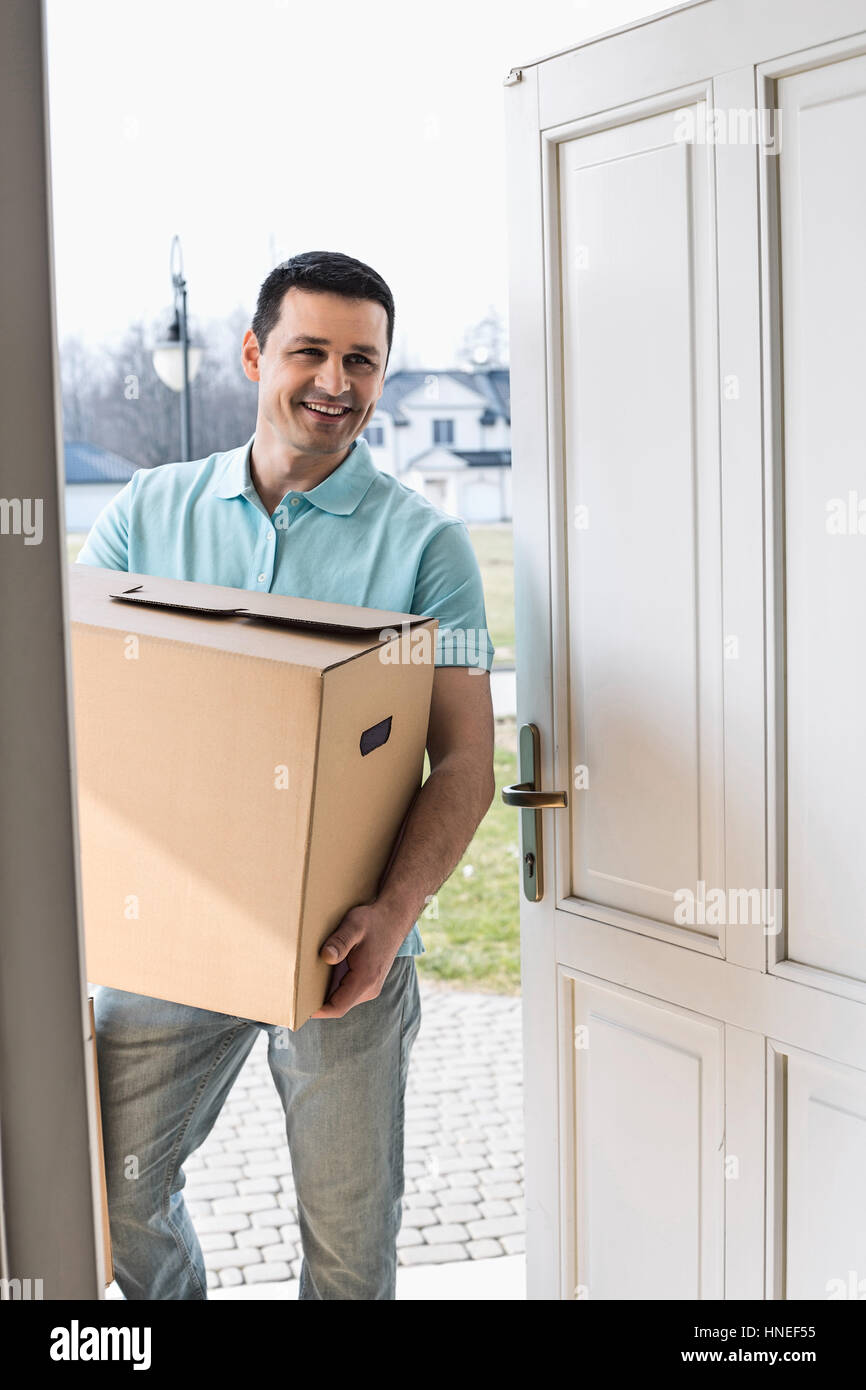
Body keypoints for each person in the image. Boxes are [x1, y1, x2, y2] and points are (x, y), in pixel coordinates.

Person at [76, 249, 496, 1300]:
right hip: (176, 932)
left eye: (362, 360)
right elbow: (80, 703)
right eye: (310, 349)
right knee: (109, 1190)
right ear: (256, 352)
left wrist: (394, 913)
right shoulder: (144, 513)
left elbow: (468, 760)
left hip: (346, 945)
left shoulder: (425, 546)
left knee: (351, 1253)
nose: (335, 381)